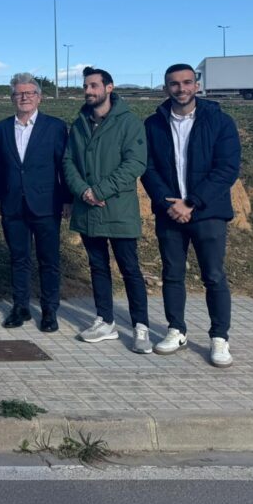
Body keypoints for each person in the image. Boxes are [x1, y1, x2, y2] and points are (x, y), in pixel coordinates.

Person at [142, 63, 241, 368]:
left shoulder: (220, 121)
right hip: (169, 212)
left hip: (208, 212)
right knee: (172, 274)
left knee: (213, 275)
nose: (181, 88)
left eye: (187, 82)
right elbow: (148, 168)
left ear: (196, 85)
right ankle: (176, 330)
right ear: (165, 88)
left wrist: (192, 202)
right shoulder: (153, 124)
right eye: (174, 84)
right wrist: (168, 203)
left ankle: (219, 337)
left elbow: (226, 169)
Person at [63, 66, 151, 353]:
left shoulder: (129, 123)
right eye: (85, 86)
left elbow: (135, 163)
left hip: (118, 209)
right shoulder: (80, 123)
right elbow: (68, 162)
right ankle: (105, 321)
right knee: (98, 266)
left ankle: (140, 327)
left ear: (109, 88)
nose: (88, 91)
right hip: (88, 209)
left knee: (129, 269)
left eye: (93, 86)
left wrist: (99, 191)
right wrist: (84, 191)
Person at [0, 73, 70, 332]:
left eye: (29, 93)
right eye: (19, 93)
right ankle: (20, 307)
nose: (24, 97)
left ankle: (49, 311)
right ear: (12, 98)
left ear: (39, 97)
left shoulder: (55, 127)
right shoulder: (2, 128)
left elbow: (64, 165)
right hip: (13, 204)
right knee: (19, 259)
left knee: (49, 261)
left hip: (46, 204)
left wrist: (67, 199)